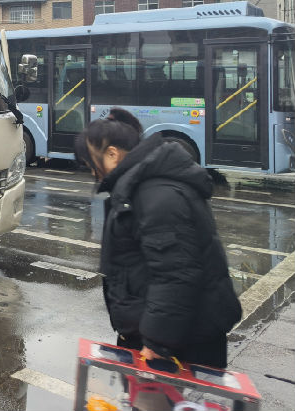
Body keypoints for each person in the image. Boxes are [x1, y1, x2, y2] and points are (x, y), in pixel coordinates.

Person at [74, 107, 242, 369]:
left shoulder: (157, 194)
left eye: (90, 163)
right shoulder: (141, 187)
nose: (92, 172)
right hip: (167, 333)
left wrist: (157, 342)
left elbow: (176, 274)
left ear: (111, 153)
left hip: (180, 343)